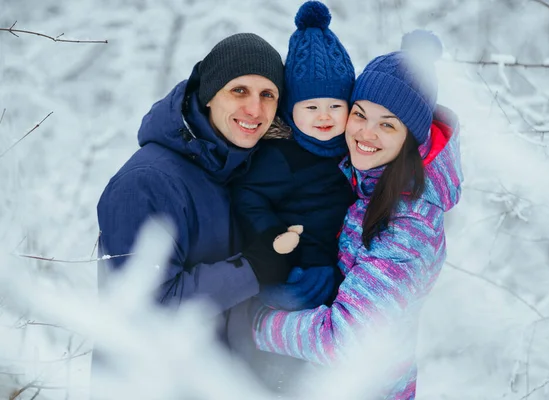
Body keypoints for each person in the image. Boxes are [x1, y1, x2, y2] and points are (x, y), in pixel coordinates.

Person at [249, 30, 463, 399]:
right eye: (360, 115)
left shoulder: (409, 226)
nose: (366, 132)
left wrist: (257, 324)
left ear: (410, 138)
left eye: (387, 124)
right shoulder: (366, 180)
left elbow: (347, 340)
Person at [96, 33, 289, 314]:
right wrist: (252, 270)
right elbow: (142, 312)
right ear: (209, 95)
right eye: (239, 90)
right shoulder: (147, 182)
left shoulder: (243, 169)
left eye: (267, 95)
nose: (255, 109)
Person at [227, 0, 356, 391]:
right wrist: (276, 240)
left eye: (335, 105)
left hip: (330, 271)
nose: (324, 116)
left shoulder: (350, 147)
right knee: (284, 367)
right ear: (290, 109)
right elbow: (248, 196)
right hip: (292, 268)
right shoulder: (281, 156)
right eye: (311, 106)